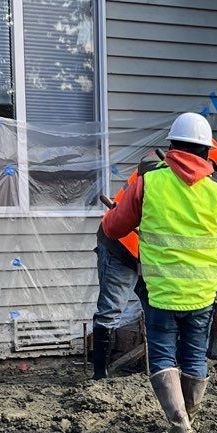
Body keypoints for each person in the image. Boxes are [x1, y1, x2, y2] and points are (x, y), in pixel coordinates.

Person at [102, 112, 217, 433]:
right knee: (194, 355)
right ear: (206, 150)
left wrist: (115, 216)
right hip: (203, 294)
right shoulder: (215, 192)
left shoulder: (149, 182)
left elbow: (113, 229)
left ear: (172, 146)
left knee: (163, 354)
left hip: (161, 292)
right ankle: (189, 420)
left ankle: (179, 423)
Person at [91, 162, 147, 380]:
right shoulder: (155, 175)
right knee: (111, 310)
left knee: (158, 307)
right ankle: (100, 375)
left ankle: (157, 366)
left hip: (149, 256)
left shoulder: (160, 171)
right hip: (122, 246)